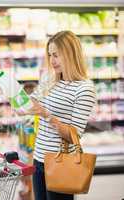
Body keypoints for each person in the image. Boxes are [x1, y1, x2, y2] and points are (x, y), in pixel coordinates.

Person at [17, 31, 97, 200]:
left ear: (71, 55)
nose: (52, 61)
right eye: (50, 55)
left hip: (61, 163)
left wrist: (46, 115)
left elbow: (73, 135)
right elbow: (28, 106)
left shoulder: (84, 89)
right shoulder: (50, 79)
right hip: (39, 160)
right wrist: (16, 101)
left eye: (56, 55)